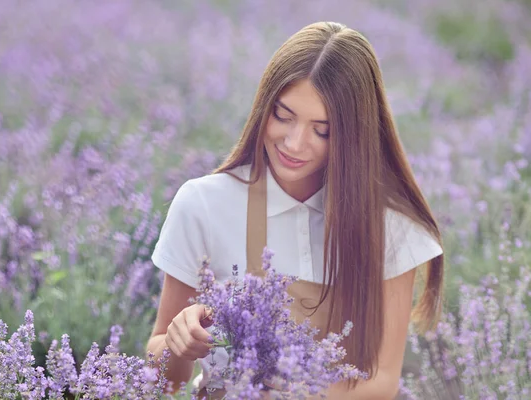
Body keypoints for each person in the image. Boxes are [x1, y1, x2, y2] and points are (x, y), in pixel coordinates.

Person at [145, 21, 444, 399]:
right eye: (283, 116)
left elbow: (382, 382)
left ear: (357, 135)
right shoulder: (203, 204)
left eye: (323, 130)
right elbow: (164, 379)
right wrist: (177, 343)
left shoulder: (391, 227)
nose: (295, 143)